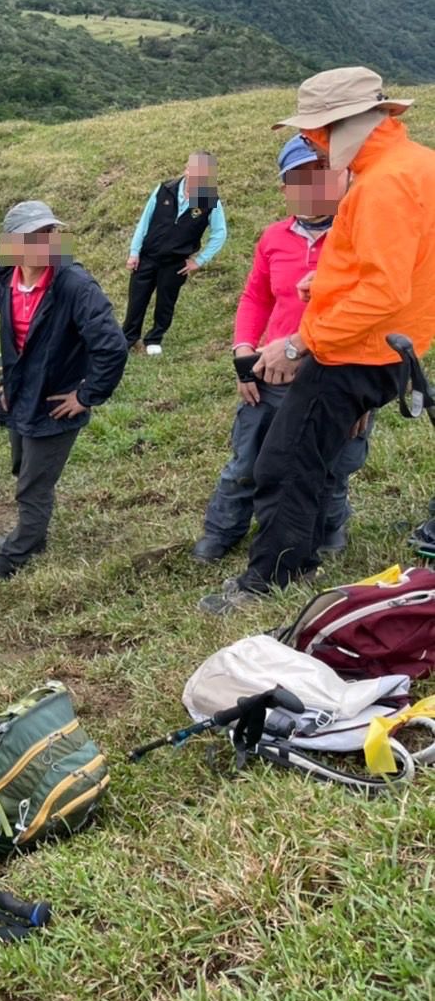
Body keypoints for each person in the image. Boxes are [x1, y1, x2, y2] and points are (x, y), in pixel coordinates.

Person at [202, 67, 435, 614]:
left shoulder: (381, 186)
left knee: (283, 464)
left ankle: (273, 576)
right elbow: (400, 261)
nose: (311, 143)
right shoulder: (415, 164)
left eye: (315, 134)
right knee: (301, 455)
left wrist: (299, 342)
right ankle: (303, 550)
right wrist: (325, 279)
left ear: (343, 125)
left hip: (358, 348)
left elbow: (381, 288)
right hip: (394, 343)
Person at [193, 135, 368, 563]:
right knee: (247, 461)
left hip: (338, 376)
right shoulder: (274, 238)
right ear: (285, 188)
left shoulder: (360, 241)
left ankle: (328, 530)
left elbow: (374, 313)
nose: (312, 187)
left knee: (333, 466)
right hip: (272, 371)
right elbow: (256, 298)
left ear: (344, 178)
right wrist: (243, 353)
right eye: (299, 179)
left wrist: (364, 394)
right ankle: (223, 530)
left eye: (321, 175)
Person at [0, 201, 128, 583]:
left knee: (33, 483)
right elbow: (15, 341)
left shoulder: (74, 283)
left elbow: (112, 345)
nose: (46, 243)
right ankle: (33, 534)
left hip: (57, 404)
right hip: (23, 395)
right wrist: (9, 382)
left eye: (49, 234)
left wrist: (86, 395)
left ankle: (17, 553)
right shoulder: (7, 280)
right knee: (22, 468)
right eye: (34, 237)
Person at [123, 151, 228, 355]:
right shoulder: (165, 189)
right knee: (137, 299)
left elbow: (220, 233)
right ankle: (129, 337)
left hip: (175, 262)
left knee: (166, 301)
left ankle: (154, 338)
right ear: (187, 169)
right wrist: (134, 252)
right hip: (148, 256)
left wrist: (200, 260)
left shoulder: (209, 200)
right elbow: (144, 221)